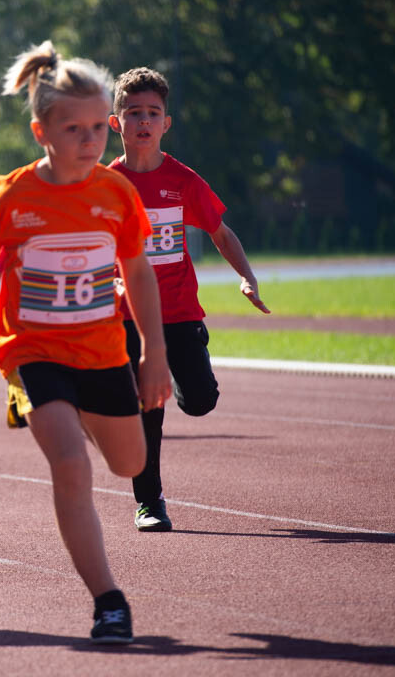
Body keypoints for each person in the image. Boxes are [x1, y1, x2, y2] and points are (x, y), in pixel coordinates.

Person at [0, 41, 171, 644]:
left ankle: (65, 408)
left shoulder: (116, 194)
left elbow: (139, 274)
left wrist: (153, 353)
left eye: (96, 127)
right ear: (41, 131)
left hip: (103, 350)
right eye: (70, 128)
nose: (88, 140)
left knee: (130, 463)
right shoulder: (15, 195)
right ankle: (109, 601)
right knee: (71, 465)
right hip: (32, 348)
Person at [108, 66, 269, 532]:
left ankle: (181, 384)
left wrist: (247, 276)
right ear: (116, 122)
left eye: (152, 113)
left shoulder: (182, 181)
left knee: (200, 401)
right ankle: (149, 502)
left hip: (179, 314)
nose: (143, 120)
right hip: (129, 319)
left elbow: (220, 232)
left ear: (166, 123)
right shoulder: (106, 185)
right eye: (133, 112)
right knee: (147, 411)